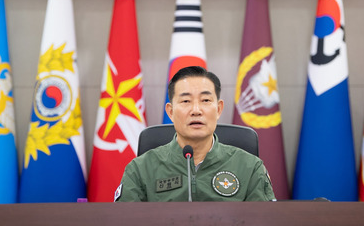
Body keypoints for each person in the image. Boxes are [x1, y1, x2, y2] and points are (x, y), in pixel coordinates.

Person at [114, 66, 275, 202]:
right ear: (170, 112)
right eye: (185, 101)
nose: (196, 110)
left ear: (218, 109)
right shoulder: (140, 169)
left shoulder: (250, 167)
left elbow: (266, 221)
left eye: (205, 100)